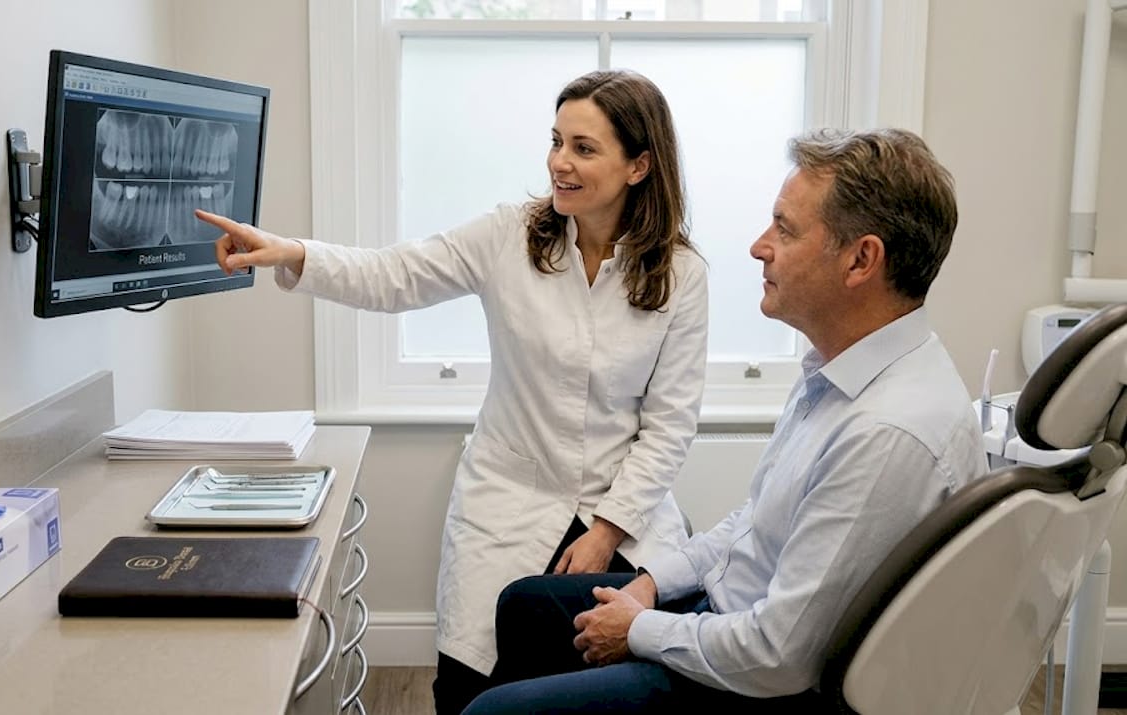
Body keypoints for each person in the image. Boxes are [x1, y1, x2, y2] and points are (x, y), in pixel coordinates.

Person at [194, 69, 708, 715]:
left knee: (604, 690)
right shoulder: (510, 234)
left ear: (639, 165)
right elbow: (395, 274)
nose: (559, 162)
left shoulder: (681, 275)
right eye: (556, 141)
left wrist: (606, 531)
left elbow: (670, 424)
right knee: (472, 693)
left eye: (583, 148)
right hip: (509, 502)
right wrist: (293, 251)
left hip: (624, 515)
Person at [462, 127, 989, 714]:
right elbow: (755, 522)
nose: (759, 246)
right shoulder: (841, 370)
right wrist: (654, 584)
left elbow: (779, 655)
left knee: (490, 713)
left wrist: (639, 629)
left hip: (762, 684)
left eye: (785, 229)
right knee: (526, 606)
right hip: (728, 613)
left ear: (861, 259)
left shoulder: (887, 433)